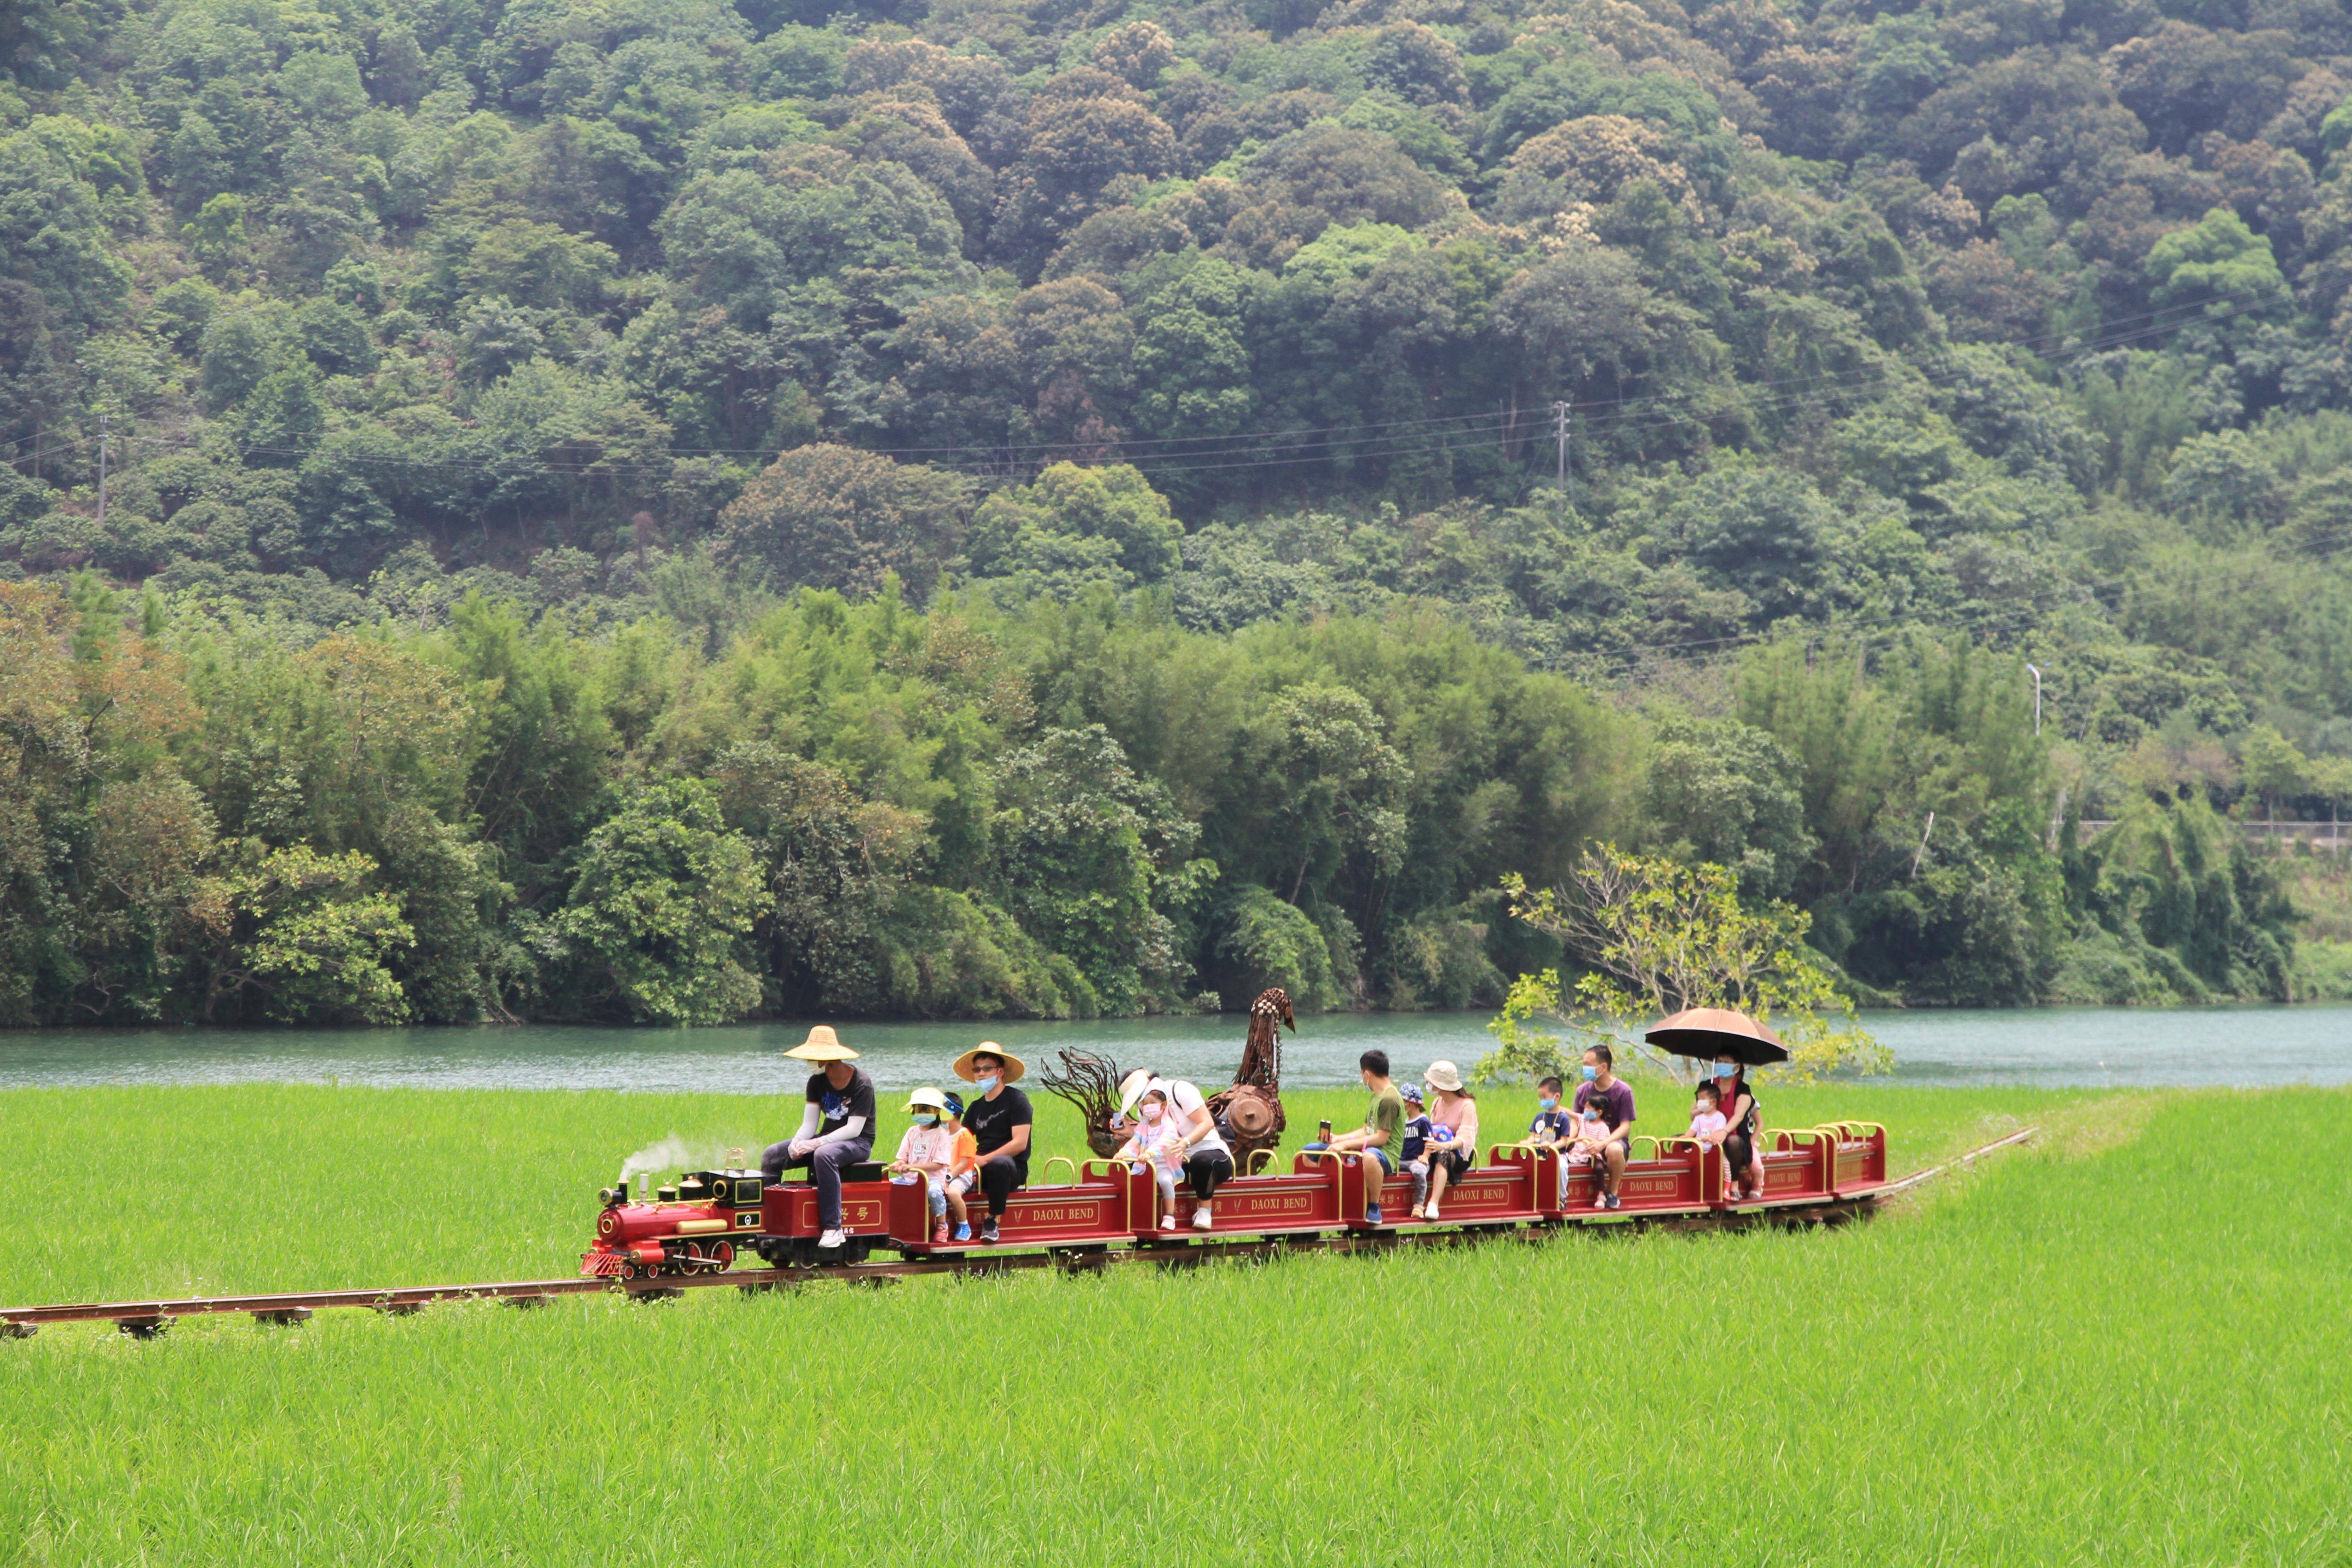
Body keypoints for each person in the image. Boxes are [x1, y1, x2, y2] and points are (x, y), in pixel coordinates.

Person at [762, 1025, 877, 1250]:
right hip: (827, 1138)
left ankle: (834, 1229)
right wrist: (797, 1143)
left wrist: (815, 1144)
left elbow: (854, 1129)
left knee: (824, 1155)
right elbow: (809, 1123)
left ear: (830, 1060)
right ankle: (771, 1222)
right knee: (773, 1156)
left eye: (812, 1058)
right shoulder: (816, 1082)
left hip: (858, 1143)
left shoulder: (862, 1083)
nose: (808, 1062)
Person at [1115, 1067, 1234, 1230]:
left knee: (1200, 1162)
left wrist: (1186, 1143)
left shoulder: (1180, 1091)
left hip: (1210, 1154)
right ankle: (1146, 1217)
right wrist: (1127, 1135)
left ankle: (1205, 1210)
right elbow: (1148, 1136)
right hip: (1175, 1161)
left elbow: (1207, 1122)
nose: (1142, 1104)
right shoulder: (1146, 1109)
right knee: (1133, 1168)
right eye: (1138, 1100)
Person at [1299, 1049, 1406, 1225]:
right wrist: (1338, 1139)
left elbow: (1381, 1138)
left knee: (1370, 1157)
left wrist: (1346, 1146)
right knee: (1310, 1152)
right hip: (1366, 1147)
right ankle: (1334, 1197)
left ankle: (1374, 1206)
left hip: (1385, 1154)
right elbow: (1366, 1130)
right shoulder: (1377, 1097)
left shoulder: (1389, 1099)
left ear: (1367, 1074)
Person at [954, 1044, 1032, 1245]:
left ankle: (993, 1220)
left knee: (999, 1164)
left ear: (1000, 1072)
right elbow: (962, 1140)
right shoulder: (975, 1108)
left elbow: (1020, 1143)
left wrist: (985, 1160)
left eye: (987, 1069)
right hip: (979, 1168)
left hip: (1010, 1169)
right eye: (977, 1070)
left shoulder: (1017, 1100)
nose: (981, 1074)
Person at [886, 1087, 958, 1245]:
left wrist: (913, 1167)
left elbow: (939, 1164)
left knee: (934, 1192)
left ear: (937, 1112)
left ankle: (941, 1225)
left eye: (926, 1110)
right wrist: (898, 1165)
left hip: (931, 1179)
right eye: (918, 1110)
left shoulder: (941, 1135)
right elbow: (903, 1159)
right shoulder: (912, 1132)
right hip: (910, 1177)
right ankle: (891, 1226)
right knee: (887, 1187)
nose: (922, 1114)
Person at [1111, 1083, 1188, 1230]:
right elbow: (1135, 1142)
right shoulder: (1144, 1126)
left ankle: (1170, 1216)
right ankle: (1135, 1217)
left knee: (1165, 1181)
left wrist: (1150, 1153)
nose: (1148, 1107)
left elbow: (1165, 1142)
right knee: (1132, 1183)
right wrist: (1124, 1153)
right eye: (1145, 1104)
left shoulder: (1168, 1126)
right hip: (1144, 1165)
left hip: (1163, 1166)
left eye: (1153, 1103)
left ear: (1163, 1105)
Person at [1573, 1044, 1637, 1211]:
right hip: (1586, 1140)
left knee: (1614, 1149)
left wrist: (1603, 1143)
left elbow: (1625, 1126)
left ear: (1604, 1067)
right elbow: (1576, 1121)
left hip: (1612, 1141)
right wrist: (1569, 1140)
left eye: (1588, 1064)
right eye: (1584, 1064)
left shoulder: (1623, 1091)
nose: (1585, 1068)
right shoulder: (1583, 1090)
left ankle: (1613, 1192)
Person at [1419, 1062, 1479, 1222]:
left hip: (1457, 1154)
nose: (1429, 1085)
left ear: (1440, 1085)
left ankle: (1433, 1203)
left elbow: (1465, 1139)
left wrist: (1444, 1146)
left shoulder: (1467, 1106)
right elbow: (1431, 1130)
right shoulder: (1437, 1103)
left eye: (1431, 1082)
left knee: (1443, 1154)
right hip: (1436, 1147)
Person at [1698, 1058, 1762, 1200]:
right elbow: (1694, 1113)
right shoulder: (1707, 1086)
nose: (1722, 1065)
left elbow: (1739, 1116)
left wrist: (1724, 1132)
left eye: (1726, 1062)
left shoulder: (1743, 1090)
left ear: (1737, 1066)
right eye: (1720, 1061)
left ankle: (1736, 1185)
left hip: (1735, 1136)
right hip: (1708, 1132)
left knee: (1735, 1144)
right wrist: (1706, 1105)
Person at [941, 1093, 978, 1240]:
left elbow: (963, 1163)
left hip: (962, 1175)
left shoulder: (964, 1136)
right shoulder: (943, 1134)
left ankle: (964, 1225)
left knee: (953, 1193)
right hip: (944, 1173)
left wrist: (949, 1177)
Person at [1398, 1083, 1434, 1212]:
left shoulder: (1423, 1121)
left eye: (1404, 1102)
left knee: (1419, 1172)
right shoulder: (1404, 1122)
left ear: (1411, 1104)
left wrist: (1425, 1156)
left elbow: (1429, 1141)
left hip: (1416, 1160)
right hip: (1403, 1159)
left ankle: (1419, 1204)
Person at [1686, 1080, 1727, 1145]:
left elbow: (1718, 1132)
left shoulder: (1720, 1117)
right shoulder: (1698, 1118)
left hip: (1713, 1149)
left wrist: (1709, 1137)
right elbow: (1693, 1130)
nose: (1700, 1102)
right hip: (1699, 1148)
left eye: (1703, 1099)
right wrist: (1686, 1137)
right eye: (1699, 1100)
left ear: (1714, 1101)